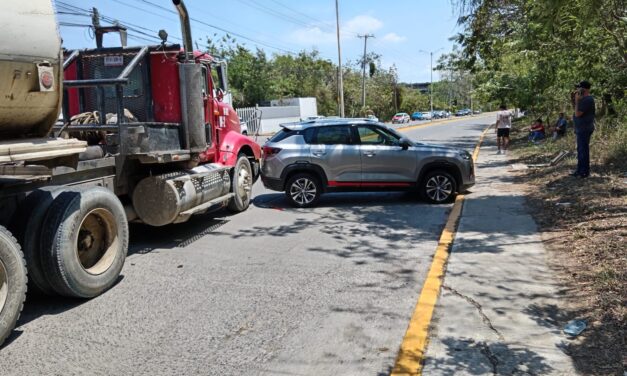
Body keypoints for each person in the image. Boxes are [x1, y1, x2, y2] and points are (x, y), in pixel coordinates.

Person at [572, 80, 595, 178]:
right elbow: (576, 110)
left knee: (583, 150)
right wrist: (575, 100)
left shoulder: (588, 99)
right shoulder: (583, 99)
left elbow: (578, 114)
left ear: (584, 89)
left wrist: (577, 101)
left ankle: (584, 172)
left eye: (579, 88)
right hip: (580, 128)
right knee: (580, 150)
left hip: (585, 128)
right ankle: (579, 170)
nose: (577, 90)